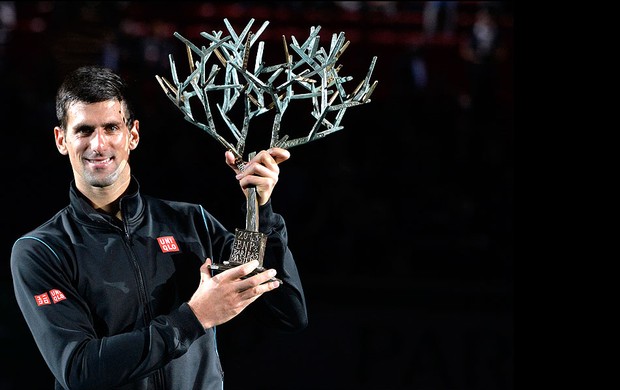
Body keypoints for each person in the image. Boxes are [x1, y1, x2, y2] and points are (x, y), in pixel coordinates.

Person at [10, 65, 308, 390]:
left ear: (132, 135)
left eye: (111, 127)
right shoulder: (41, 250)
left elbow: (286, 312)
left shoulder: (192, 223)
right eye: (83, 130)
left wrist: (260, 208)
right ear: (61, 139)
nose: (98, 144)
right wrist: (194, 318)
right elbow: (81, 370)